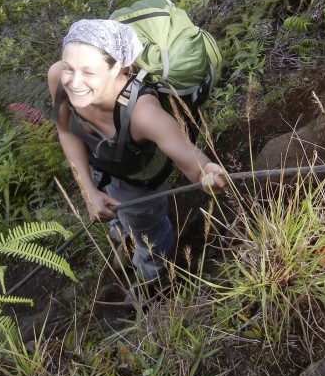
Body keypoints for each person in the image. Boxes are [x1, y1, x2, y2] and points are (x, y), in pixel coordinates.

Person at [48, 18, 227, 288]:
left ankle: (155, 282)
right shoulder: (57, 78)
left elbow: (194, 163)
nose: (74, 82)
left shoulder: (143, 114)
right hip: (98, 164)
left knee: (149, 234)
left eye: (88, 71)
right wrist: (88, 191)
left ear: (117, 68)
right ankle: (124, 235)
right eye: (68, 68)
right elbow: (66, 131)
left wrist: (210, 174)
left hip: (137, 181)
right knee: (117, 212)